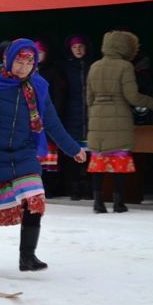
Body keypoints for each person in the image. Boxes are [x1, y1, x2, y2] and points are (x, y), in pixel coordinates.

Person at [0, 39, 87, 273]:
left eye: (29, 62)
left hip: (24, 152)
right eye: (19, 61)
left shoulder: (39, 87)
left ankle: (28, 257)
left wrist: (73, 148)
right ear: (9, 59)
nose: (24, 67)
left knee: (35, 199)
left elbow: (51, 122)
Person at [86, 30, 153, 213]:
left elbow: (89, 98)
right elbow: (132, 96)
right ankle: (119, 203)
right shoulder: (125, 66)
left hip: (97, 118)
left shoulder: (94, 66)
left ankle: (98, 203)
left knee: (99, 161)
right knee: (119, 161)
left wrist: (94, 116)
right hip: (119, 117)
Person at [61, 34, 94, 200]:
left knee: (91, 152)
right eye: (74, 47)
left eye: (81, 46)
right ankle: (74, 188)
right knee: (74, 152)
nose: (78, 50)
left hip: (90, 113)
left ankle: (88, 186)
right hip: (72, 113)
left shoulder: (93, 65)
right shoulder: (66, 67)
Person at [34, 38, 68, 198]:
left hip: (47, 118)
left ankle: (50, 187)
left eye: (40, 52)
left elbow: (59, 96)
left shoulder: (53, 71)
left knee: (50, 157)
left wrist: (54, 116)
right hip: (31, 120)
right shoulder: (28, 72)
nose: (37, 56)